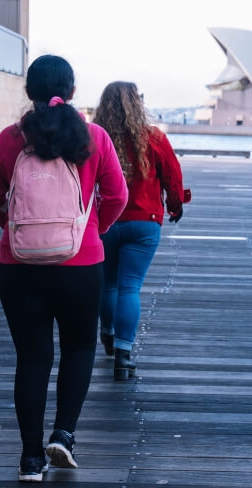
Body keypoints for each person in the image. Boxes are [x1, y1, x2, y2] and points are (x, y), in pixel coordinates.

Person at [0, 55, 128, 482]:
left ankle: (30, 459)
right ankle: (63, 434)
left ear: (29, 92)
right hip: (81, 265)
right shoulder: (95, 136)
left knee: (32, 356)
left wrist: (19, 231)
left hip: (19, 265)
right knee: (79, 349)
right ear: (73, 90)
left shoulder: (10, 139)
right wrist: (89, 229)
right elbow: (116, 196)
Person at [92, 81, 187, 380]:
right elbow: (173, 176)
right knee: (130, 286)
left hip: (104, 221)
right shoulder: (154, 137)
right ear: (138, 103)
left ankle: (107, 332)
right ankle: (124, 354)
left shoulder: (94, 137)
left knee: (108, 285)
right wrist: (175, 205)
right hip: (144, 221)